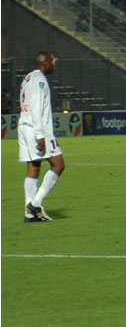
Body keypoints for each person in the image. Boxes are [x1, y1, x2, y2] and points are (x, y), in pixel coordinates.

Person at [18, 52, 65, 222]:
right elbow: (36, 108)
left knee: (34, 168)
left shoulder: (28, 77)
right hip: (36, 128)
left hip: (24, 125)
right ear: (45, 63)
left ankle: (29, 214)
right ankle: (36, 204)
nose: (54, 65)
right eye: (52, 62)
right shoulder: (39, 80)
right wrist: (40, 135)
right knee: (58, 165)